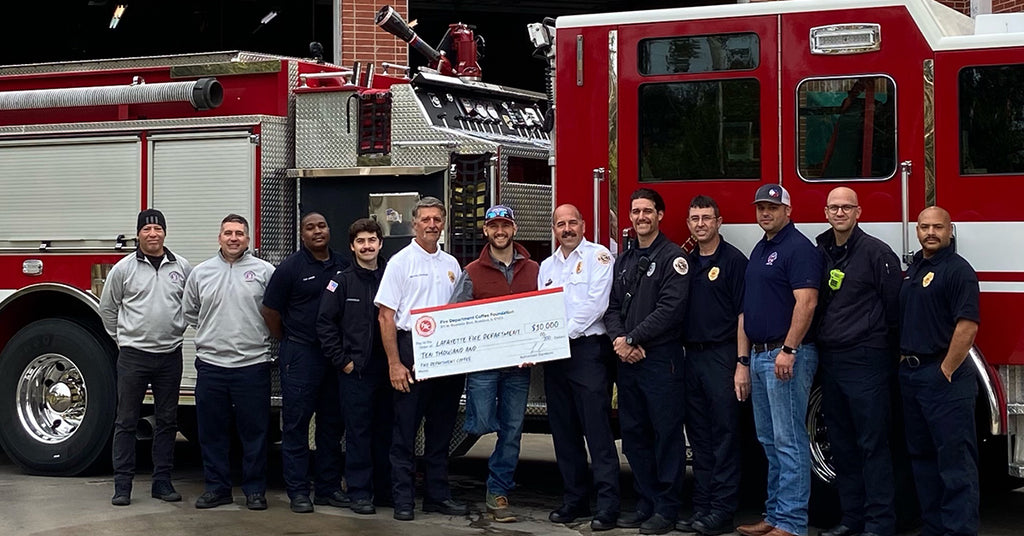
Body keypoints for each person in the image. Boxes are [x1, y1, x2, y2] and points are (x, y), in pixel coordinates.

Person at [374, 196, 469, 521]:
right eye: (425, 219)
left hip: (445, 355)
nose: (431, 225)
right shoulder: (400, 263)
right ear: (414, 223)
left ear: (443, 224)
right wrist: (394, 363)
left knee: (441, 430)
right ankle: (403, 499)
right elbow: (386, 317)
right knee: (404, 431)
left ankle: (437, 496)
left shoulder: (452, 265)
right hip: (411, 350)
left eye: (436, 219)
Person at [603, 188, 690, 535]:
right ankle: (646, 501)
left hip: (661, 361)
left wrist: (633, 339)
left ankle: (667, 508)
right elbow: (610, 308)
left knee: (666, 436)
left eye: (648, 211)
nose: (641, 217)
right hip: (628, 361)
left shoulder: (673, 259)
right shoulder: (623, 260)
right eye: (636, 211)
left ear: (660, 215)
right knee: (635, 434)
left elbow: (671, 310)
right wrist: (618, 342)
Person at [815, 187, 901, 536]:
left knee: (872, 445)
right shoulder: (820, 251)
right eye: (834, 207)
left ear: (858, 212)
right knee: (842, 445)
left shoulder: (877, 253)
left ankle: (880, 524)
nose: (839, 213)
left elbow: (895, 308)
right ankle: (851, 519)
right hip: (831, 361)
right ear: (825, 212)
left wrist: (884, 351)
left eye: (846, 207)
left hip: (867, 360)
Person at [737, 184, 822, 536]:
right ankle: (773, 515)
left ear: (789, 210)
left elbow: (807, 303)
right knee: (769, 441)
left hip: (784, 356)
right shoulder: (760, 249)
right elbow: (745, 309)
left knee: (789, 441)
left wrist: (788, 349)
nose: (765, 213)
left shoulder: (798, 248)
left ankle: (792, 522)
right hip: (758, 356)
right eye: (761, 208)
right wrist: (743, 360)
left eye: (772, 207)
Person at [449, 204, 538, 523]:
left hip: (518, 367)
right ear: (485, 231)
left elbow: (545, 314)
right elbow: (455, 314)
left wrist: (536, 346)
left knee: (512, 430)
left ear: (514, 229)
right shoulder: (471, 271)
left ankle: (497, 490)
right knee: (481, 423)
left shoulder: (534, 270)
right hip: (484, 365)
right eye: (493, 226)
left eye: (505, 225)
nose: (500, 231)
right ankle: (494, 462)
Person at [184, 214, 276, 511]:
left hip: (252, 364)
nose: (234, 238)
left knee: (255, 432)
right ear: (219, 238)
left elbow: (275, 312)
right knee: (212, 433)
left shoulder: (265, 271)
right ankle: (217, 488)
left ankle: (254, 491)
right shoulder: (201, 273)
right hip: (211, 365)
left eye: (239, 233)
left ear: (248, 239)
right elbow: (191, 312)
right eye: (228, 233)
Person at [101, 209, 192, 506]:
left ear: (165, 232)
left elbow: (191, 305)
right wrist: (124, 339)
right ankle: (122, 486)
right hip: (133, 357)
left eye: (158, 228)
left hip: (169, 355)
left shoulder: (182, 266)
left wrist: (177, 329)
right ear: (138, 234)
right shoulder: (123, 269)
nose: (153, 234)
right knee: (126, 421)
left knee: (167, 421)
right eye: (147, 229)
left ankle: (162, 483)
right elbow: (108, 310)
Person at [899, 206, 980, 536]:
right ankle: (933, 528)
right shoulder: (915, 268)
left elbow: (968, 325)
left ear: (950, 231)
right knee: (922, 458)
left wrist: (945, 369)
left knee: (955, 463)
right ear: (916, 231)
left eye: (938, 227)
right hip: (913, 377)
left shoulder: (959, 270)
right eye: (924, 227)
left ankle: (959, 531)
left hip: (943, 378)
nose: (930, 232)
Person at [539, 204, 620, 531]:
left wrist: (561, 334)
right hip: (554, 355)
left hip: (587, 351)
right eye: (561, 224)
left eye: (573, 222)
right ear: (554, 229)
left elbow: (596, 306)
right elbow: (539, 309)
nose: (567, 228)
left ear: (584, 224)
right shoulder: (546, 266)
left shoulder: (599, 258)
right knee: (564, 431)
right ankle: (574, 500)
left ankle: (608, 506)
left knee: (597, 431)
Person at [261, 212, 350, 513]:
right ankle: (298, 491)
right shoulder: (290, 269)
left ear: (329, 230)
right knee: (297, 425)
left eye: (322, 226)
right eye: (310, 228)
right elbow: (270, 311)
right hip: (301, 355)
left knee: (331, 424)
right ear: (302, 235)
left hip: (333, 357)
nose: (317, 232)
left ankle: (327, 488)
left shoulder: (342, 265)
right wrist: (288, 339)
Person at [679, 195, 748, 536]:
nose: (701, 223)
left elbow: (743, 315)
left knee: (724, 436)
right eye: (695, 218)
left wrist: (741, 363)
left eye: (707, 217)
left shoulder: (734, 261)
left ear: (719, 222)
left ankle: (722, 510)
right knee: (699, 437)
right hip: (691, 356)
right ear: (689, 223)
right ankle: (703, 505)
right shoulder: (685, 262)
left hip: (723, 357)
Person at [317, 218, 392, 515]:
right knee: (358, 432)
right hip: (356, 370)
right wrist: (343, 362)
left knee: (386, 431)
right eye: (361, 241)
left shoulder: (392, 276)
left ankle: (384, 490)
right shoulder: (341, 281)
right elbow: (325, 324)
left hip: (389, 369)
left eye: (372, 240)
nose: (367, 246)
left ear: (380, 243)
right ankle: (359, 492)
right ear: (352, 246)